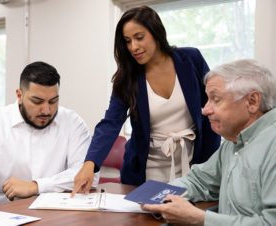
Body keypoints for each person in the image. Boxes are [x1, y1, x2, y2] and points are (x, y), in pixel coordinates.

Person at [72, 6, 220, 195]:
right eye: (127, 41)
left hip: (193, 165)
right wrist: (89, 165)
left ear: (156, 32)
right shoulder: (127, 78)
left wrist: (211, 162)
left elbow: (212, 106)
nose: (134, 47)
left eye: (139, 37)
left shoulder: (191, 59)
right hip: (147, 170)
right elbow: (110, 123)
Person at [142, 59, 276, 225]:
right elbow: (199, 181)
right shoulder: (233, 141)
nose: (205, 110)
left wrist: (199, 219)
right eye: (208, 99)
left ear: (252, 101)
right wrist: (157, 194)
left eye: (216, 99)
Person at [0, 61, 98, 208]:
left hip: (53, 210)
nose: (46, 111)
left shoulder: (73, 123)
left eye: (53, 101)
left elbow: (88, 176)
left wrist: (35, 187)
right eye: (37, 101)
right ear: (19, 95)